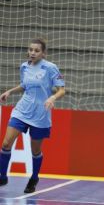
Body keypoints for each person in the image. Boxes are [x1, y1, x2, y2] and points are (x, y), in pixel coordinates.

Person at [0, 38, 65, 193]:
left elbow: (62, 89)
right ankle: (2, 176)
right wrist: (10, 91)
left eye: (36, 50)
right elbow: (24, 85)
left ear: (43, 53)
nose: (32, 53)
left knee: (35, 150)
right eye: (30, 50)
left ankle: (34, 177)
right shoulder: (24, 67)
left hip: (40, 114)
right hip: (22, 111)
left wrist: (52, 97)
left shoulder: (50, 68)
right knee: (6, 144)